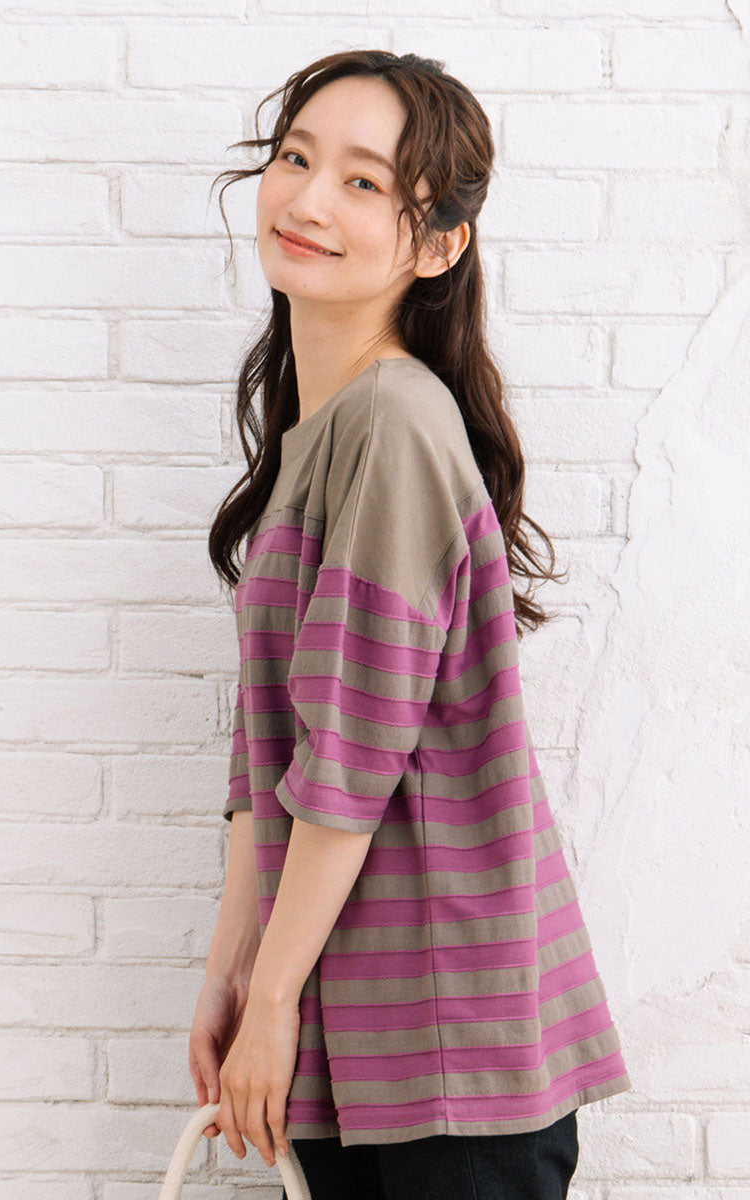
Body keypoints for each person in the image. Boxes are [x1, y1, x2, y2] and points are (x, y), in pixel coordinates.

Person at [189, 49, 632, 1200]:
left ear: (438, 246)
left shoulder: (392, 418)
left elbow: (353, 756)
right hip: (374, 1034)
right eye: (295, 159)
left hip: (446, 1038)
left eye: (363, 182)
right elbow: (268, 754)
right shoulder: (320, 434)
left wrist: (269, 995)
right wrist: (234, 970)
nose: (307, 200)